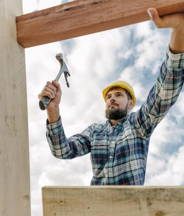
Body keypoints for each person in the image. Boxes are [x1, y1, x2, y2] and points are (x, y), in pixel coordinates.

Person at [38, 8, 184, 185]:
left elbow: (165, 91)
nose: (111, 99)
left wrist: (179, 29)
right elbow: (62, 151)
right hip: (97, 209)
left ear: (131, 103)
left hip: (130, 209)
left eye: (118, 95)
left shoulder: (139, 123)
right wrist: (53, 109)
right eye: (109, 97)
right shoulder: (95, 132)